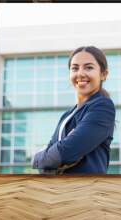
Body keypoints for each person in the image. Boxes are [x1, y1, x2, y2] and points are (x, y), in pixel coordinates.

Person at [32, 46, 116, 174]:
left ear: (103, 74)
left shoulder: (103, 107)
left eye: (89, 67)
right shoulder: (66, 115)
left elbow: (64, 153)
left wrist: (40, 158)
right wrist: (47, 159)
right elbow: (50, 160)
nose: (80, 73)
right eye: (75, 68)